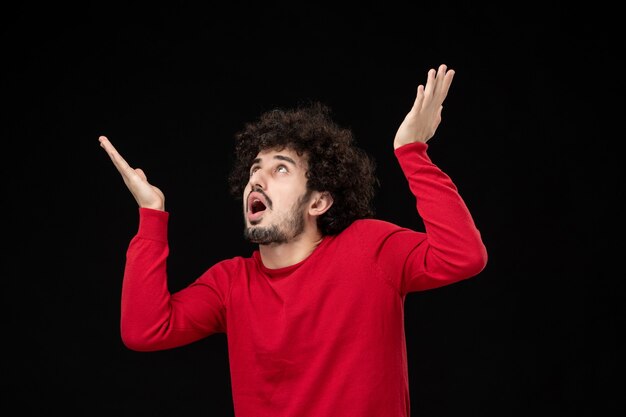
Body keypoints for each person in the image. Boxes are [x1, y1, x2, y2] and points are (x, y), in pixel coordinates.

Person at [99, 64, 488, 417]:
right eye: (255, 169)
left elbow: (463, 255)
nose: (257, 179)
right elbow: (144, 331)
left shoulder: (370, 247)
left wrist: (412, 153)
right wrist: (152, 213)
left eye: (280, 169)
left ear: (318, 201)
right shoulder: (230, 284)